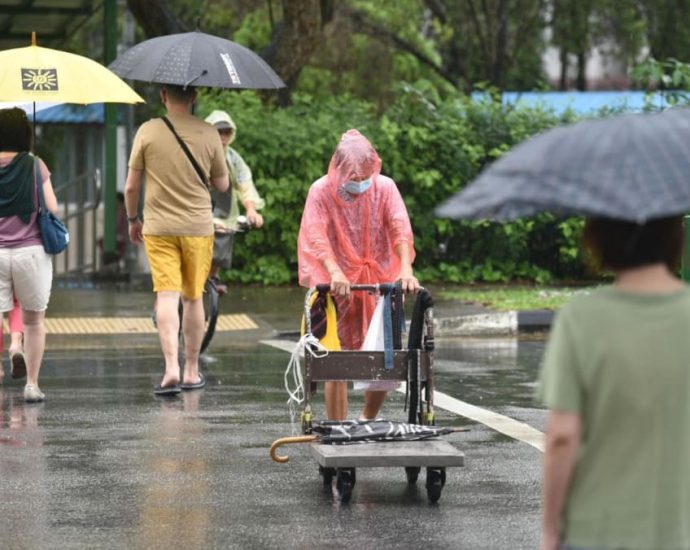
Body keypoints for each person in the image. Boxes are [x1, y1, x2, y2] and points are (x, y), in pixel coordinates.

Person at [538, 215, 690, 550]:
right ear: (675, 234)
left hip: (595, 529)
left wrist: (550, 531)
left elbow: (563, 437)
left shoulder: (581, 319)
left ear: (600, 237)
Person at [297, 129, 419, 421]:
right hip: (335, 285)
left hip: (377, 280)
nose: (360, 183)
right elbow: (316, 235)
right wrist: (334, 270)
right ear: (338, 170)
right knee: (334, 359)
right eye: (353, 179)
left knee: (382, 355)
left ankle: (368, 418)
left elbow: (399, 227)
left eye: (365, 177)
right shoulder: (321, 190)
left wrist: (405, 268)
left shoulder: (384, 188)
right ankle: (338, 425)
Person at [124, 85, 229, 395]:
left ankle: (170, 368)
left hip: (158, 227)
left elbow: (131, 187)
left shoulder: (147, 130)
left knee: (166, 295)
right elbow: (222, 184)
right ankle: (191, 370)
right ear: (194, 97)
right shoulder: (209, 132)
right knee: (193, 296)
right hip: (197, 227)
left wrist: (133, 220)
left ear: (163, 96)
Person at [0, 107, 58, 402]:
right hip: (30, 253)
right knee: (34, 322)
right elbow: (53, 207)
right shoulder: (35, 164)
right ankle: (32, 385)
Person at [203, 110, 264, 290]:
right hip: (197, 210)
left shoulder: (233, 157)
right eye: (218, 131)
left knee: (223, 238)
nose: (222, 136)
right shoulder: (199, 152)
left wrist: (251, 209)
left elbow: (244, 183)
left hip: (223, 211)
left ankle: (213, 277)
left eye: (226, 132)